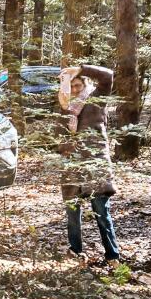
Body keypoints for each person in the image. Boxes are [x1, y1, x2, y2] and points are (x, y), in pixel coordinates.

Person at [56, 64, 121, 265]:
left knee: (102, 212)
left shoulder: (96, 99)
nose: (74, 90)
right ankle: (76, 252)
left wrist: (80, 69)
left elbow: (108, 75)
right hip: (71, 166)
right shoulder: (63, 105)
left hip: (96, 165)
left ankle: (112, 256)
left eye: (77, 85)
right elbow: (57, 136)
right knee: (73, 214)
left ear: (84, 83)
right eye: (71, 86)